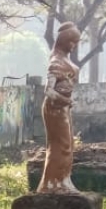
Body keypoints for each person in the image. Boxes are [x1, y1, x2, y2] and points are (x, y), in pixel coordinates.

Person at [37, 22, 81, 193]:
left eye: (76, 42)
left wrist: (66, 102)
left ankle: (64, 179)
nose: (73, 46)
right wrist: (64, 100)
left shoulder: (65, 60)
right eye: (71, 41)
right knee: (59, 145)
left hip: (63, 108)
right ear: (63, 40)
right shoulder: (56, 62)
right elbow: (48, 91)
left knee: (69, 144)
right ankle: (51, 184)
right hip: (54, 108)